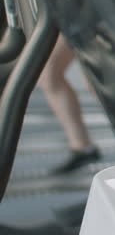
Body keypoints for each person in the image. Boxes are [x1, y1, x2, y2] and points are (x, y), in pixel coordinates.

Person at [38, 34, 101, 175]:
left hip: (81, 15)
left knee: (96, 81)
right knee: (49, 76)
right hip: (67, 16)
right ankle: (83, 147)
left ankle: (84, 147)